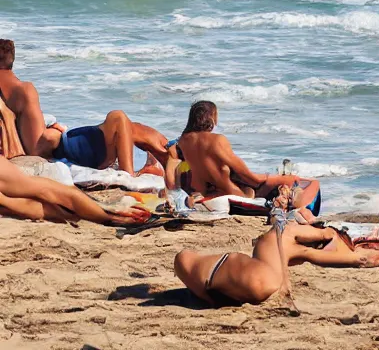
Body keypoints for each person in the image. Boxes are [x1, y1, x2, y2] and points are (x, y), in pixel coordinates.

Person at [0, 40, 168, 173]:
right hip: (76, 148)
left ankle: (132, 171)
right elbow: (39, 146)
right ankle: (128, 175)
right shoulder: (24, 90)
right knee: (119, 118)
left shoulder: (12, 93)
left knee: (130, 127)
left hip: (80, 147)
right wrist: (54, 131)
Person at [173, 220, 379, 307]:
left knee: (287, 238)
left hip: (224, 287)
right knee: (282, 235)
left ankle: (361, 254)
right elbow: (310, 251)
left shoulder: (185, 261)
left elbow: (310, 249)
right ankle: (364, 254)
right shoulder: (281, 247)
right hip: (260, 284)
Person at [167, 101, 322, 222]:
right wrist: (269, 178)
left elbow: (171, 175)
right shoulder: (217, 140)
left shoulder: (182, 142)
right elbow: (248, 177)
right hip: (236, 193)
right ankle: (301, 209)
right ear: (210, 117)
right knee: (310, 183)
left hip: (208, 192)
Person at [0, 154, 149, 225]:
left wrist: (109, 216)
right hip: (37, 175)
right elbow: (21, 205)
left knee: (59, 198)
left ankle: (106, 212)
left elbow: (61, 195)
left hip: (47, 173)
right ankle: (106, 213)